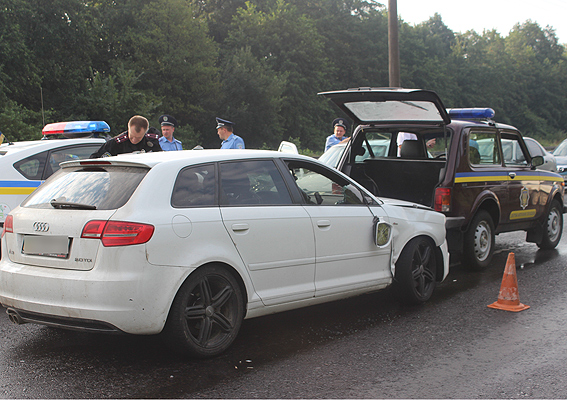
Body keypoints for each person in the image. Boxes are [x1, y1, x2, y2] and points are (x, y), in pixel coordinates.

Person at [90, 115, 162, 158]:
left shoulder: (151, 142)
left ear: (145, 133)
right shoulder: (116, 144)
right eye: (132, 136)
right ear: (128, 129)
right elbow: (95, 159)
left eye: (138, 138)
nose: (134, 140)